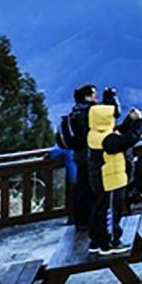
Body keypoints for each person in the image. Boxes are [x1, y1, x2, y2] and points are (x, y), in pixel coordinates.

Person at [86, 102, 142, 253]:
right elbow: (129, 139)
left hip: (103, 180)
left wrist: (129, 119)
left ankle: (96, 240)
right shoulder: (106, 141)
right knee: (111, 211)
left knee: (99, 208)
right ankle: (110, 243)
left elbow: (118, 132)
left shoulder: (95, 133)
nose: (113, 118)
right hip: (110, 181)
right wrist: (139, 122)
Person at [54, 85, 98, 227]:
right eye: (93, 95)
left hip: (78, 155)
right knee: (90, 188)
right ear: (87, 96)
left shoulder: (75, 112)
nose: (96, 98)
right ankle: (88, 219)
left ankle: (79, 219)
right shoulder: (88, 112)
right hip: (89, 155)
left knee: (81, 188)